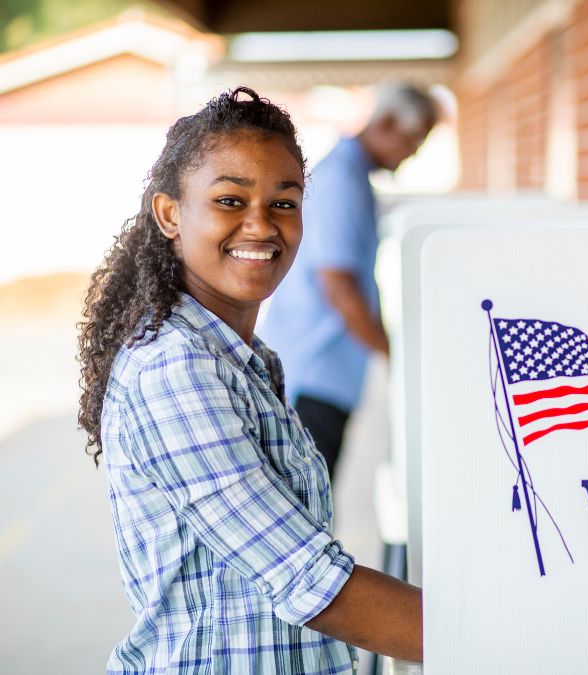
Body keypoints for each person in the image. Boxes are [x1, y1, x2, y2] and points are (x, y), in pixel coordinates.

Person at [77, 87, 421, 674]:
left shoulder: (244, 357)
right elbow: (312, 582)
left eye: (283, 203)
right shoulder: (176, 369)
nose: (261, 225)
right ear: (170, 214)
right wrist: (499, 635)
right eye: (231, 200)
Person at [259, 83, 438, 480]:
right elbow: (338, 283)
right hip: (312, 375)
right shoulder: (342, 177)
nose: (416, 152)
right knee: (306, 508)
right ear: (388, 123)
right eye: (416, 138)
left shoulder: (354, 174)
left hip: (325, 374)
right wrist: (393, 354)